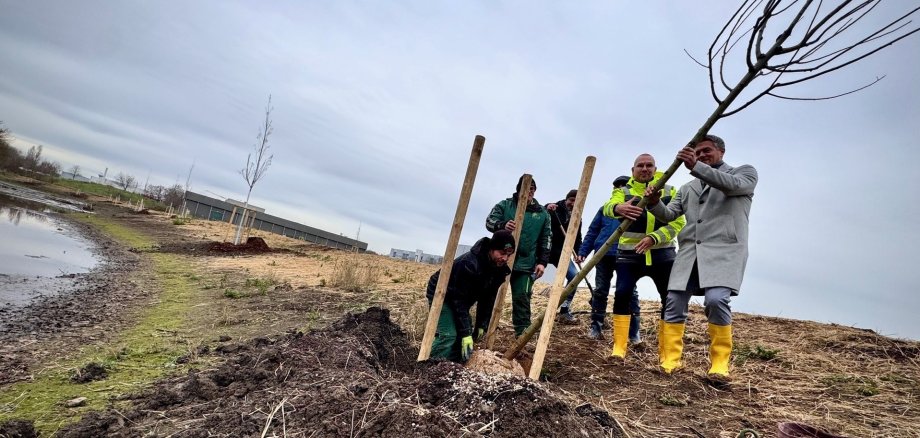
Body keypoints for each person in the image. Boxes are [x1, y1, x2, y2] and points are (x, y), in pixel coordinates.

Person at [644, 134, 757, 380]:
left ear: (721, 151)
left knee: (716, 300)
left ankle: (719, 364)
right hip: (689, 252)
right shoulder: (688, 188)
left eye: (707, 150)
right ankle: (670, 361)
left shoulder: (744, 173)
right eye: (698, 152)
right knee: (674, 301)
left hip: (724, 252)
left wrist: (696, 166)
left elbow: (732, 186)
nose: (702, 155)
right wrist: (653, 202)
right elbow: (668, 215)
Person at [603, 154, 685, 359]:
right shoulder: (623, 191)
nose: (645, 169)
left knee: (670, 299)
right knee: (622, 294)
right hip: (629, 255)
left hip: (663, 255)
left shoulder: (670, 190)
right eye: (640, 165)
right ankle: (619, 349)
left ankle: (668, 354)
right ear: (633, 170)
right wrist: (617, 208)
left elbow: (678, 222)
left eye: (649, 165)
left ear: (655, 169)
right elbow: (608, 208)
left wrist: (654, 238)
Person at [425, 230, 516, 362]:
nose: (505, 258)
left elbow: (487, 299)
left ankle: (451, 365)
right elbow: (458, 300)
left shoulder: (498, 270)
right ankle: (431, 367)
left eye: (508, 255)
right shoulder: (469, 263)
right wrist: (466, 332)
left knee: (462, 336)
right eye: (502, 253)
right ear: (491, 249)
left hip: (461, 298)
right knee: (448, 335)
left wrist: (481, 324)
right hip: (443, 294)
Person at [486, 176, 552, 337]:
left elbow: (547, 239)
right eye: (525, 188)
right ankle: (482, 329)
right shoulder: (505, 205)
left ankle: (522, 334)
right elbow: (489, 222)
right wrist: (502, 225)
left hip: (526, 263)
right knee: (489, 294)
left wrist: (542, 262)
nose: (529, 192)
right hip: (500, 262)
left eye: (532, 189)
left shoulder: (542, 214)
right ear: (519, 189)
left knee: (522, 297)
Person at [577, 176, 640, 341]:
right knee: (600, 291)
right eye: (617, 186)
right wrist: (583, 251)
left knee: (629, 292)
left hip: (627, 255)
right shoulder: (605, 209)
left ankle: (634, 332)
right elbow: (593, 231)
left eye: (623, 186)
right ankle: (595, 327)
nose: (619, 189)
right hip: (603, 254)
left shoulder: (638, 208)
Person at [545, 189, 583, 324]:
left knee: (574, 277)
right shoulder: (554, 209)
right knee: (532, 274)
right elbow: (541, 211)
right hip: (546, 250)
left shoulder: (578, 217)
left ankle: (564, 309)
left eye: (576, 202)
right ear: (566, 199)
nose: (572, 204)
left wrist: (579, 253)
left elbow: (577, 238)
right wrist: (546, 207)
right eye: (571, 200)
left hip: (562, 253)